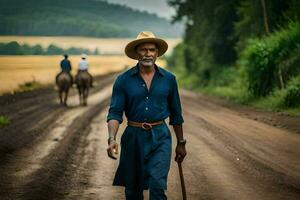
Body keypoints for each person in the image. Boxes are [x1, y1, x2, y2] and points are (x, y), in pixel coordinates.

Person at [106, 31, 187, 200]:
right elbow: (114, 112)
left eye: (151, 50)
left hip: (160, 137)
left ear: (157, 53)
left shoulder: (169, 79)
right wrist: (112, 139)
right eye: (143, 50)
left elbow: (176, 114)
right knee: (133, 191)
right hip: (133, 138)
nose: (148, 54)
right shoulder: (123, 80)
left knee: (157, 186)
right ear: (136, 53)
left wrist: (181, 143)